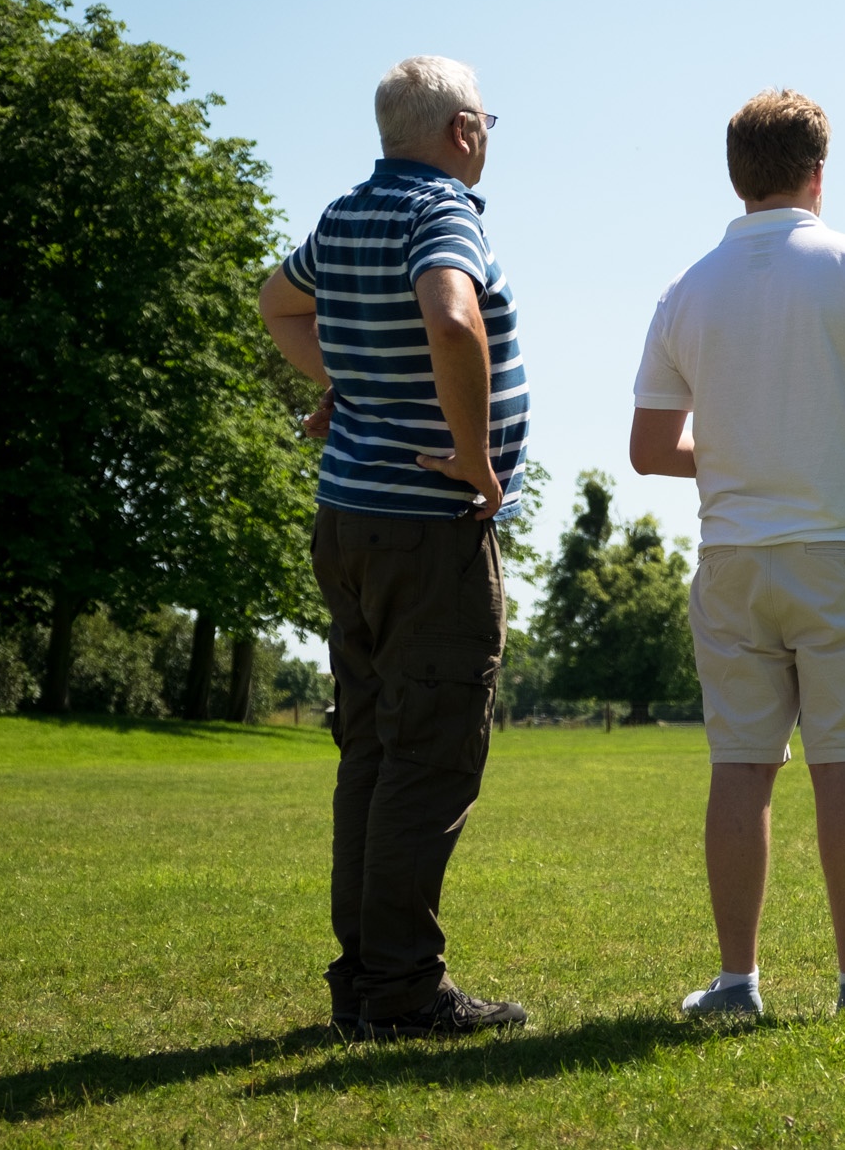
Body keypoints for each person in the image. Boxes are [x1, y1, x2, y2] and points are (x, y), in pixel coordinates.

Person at [631, 88, 845, 1017]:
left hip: (733, 558)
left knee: (740, 770)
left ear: (736, 177)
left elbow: (651, 449)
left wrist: (737, 456)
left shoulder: (687, 289)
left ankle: (737, 983)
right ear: (818, 173)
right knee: (844, 771)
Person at [257, 56, 530, 1038]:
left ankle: (366, 982)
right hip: (427, 528)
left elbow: (276, 303)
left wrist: (352, 380)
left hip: (350, 523)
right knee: (430, 752)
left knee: (372, 749)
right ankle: (405, 990)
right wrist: (475, 458)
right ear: (461, 130)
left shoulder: (342, 217)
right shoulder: (441, 212)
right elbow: (454, 316)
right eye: (486, 121)